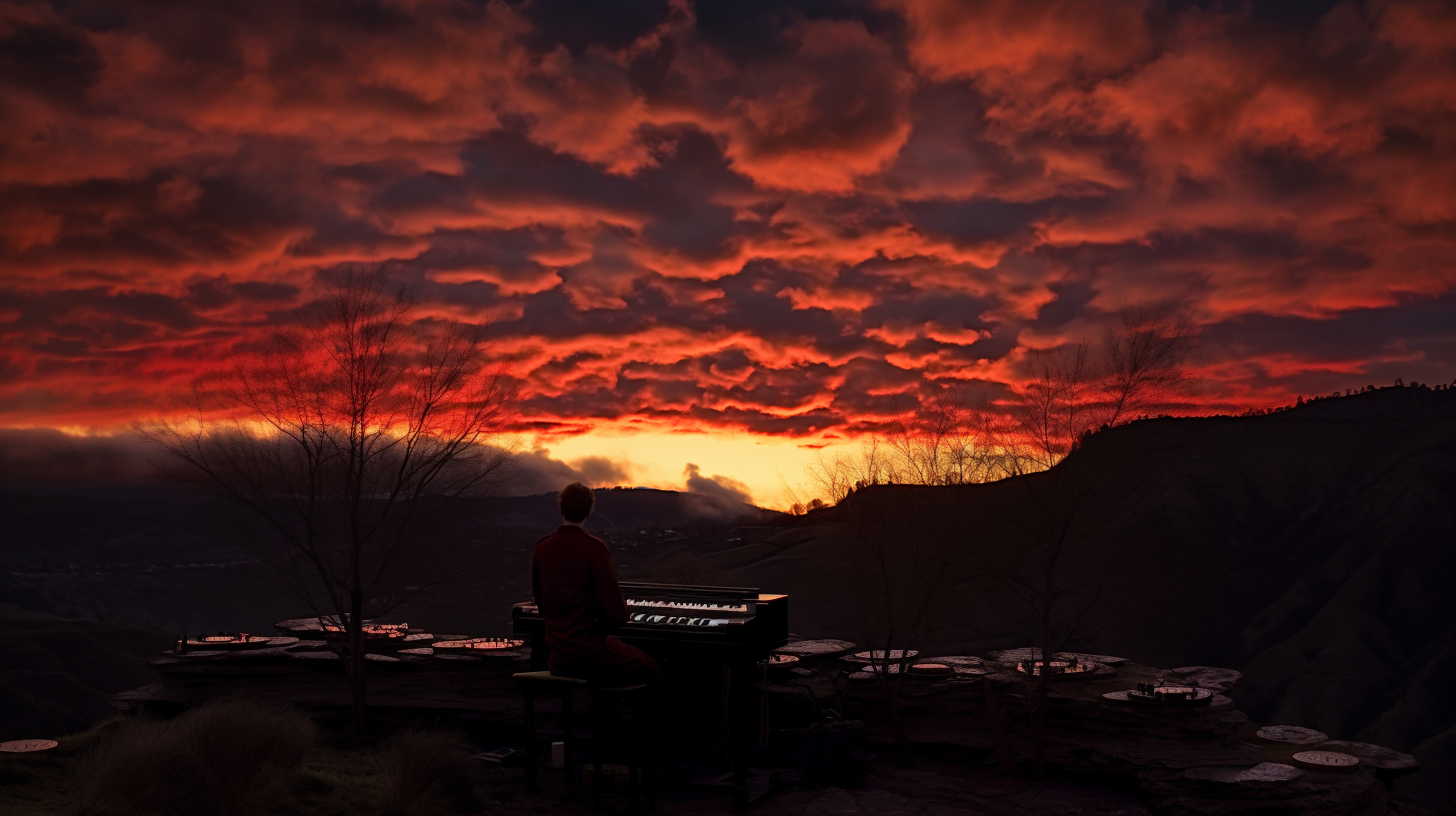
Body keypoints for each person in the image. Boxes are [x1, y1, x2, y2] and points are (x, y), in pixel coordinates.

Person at [532, 482, 660, 684]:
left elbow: (540, 602)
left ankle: (606, 711)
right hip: (590, 654)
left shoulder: (542, 547)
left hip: (558, 658)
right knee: (653, 668)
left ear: (561, 508)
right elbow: (616, 614)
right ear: (589, 511)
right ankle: (617, 713)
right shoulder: (594, 548)